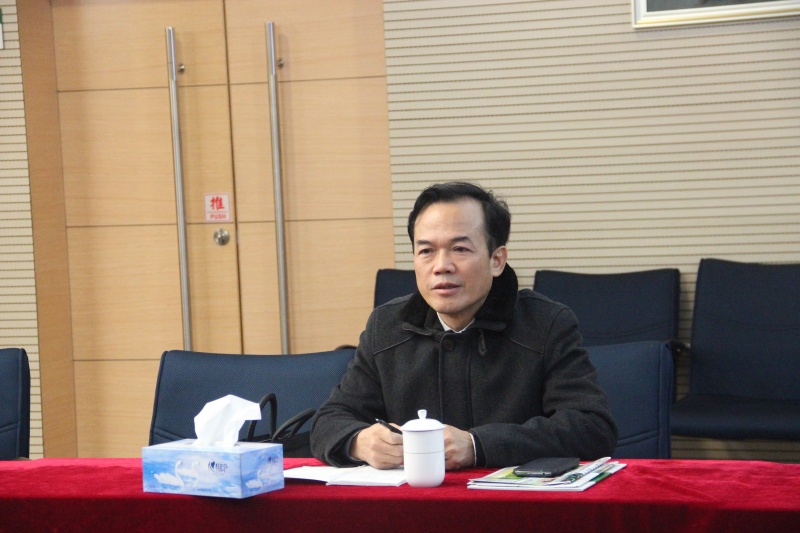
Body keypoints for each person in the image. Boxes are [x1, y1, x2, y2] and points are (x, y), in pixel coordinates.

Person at [310, 181, 617, 470]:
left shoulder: (545, 324)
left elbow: (591, 428)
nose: (441, 266)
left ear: (496, 260)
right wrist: (359, 442)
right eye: (426, 251)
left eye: (460, 249)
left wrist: (477, 445)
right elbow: (329, 421)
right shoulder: (387, 326)